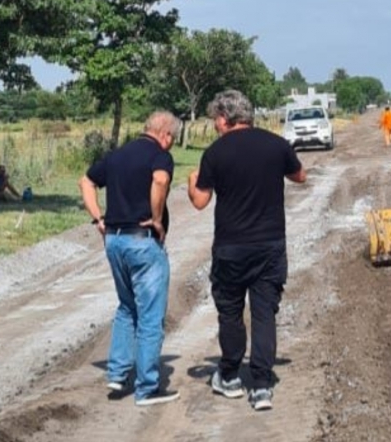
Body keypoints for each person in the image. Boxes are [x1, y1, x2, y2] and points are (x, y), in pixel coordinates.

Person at [187, 89, 307, 411]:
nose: (215, 125)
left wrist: (190, 182)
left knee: (231, 312)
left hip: (231, 248)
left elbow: (200, 202)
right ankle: (262, 386)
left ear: (225, 118)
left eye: (215, 119)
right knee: (264, 313)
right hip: (270, 244)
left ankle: (229, 376)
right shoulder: (276, 145)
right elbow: (300, 176)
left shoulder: (215, 152)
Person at [80, 111, 183, 407]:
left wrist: (98, 218)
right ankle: (147, 388)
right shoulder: (159, 156)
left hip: (113, 239)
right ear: (164, 133)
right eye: (172, 138)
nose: (171, 144)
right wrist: (156, 218)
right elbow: (160, 182)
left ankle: (117, 372)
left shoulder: (116, 155)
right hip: (142, 240)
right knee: (150, 315)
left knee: (126, 307)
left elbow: (85, 182)